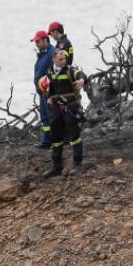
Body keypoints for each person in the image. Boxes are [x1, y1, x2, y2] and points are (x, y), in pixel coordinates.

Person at [38, 48, 87, 177]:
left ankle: (78, 164)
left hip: (70, 107)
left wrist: (81, 80)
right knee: (55, 137)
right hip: (56, 109)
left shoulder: (70, 70)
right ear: (54, 59)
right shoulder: (50, 72)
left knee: (74, 135)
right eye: (60, 59)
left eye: (64, 58)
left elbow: (81, 74)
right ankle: (57, 166)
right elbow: (49, 87)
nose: (63, 61)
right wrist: (48, 96)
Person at [31, 30, 56, 148]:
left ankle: (55, 140)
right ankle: (46, 141)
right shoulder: (42, 53)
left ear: (46, 40)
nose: (36, 44)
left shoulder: (52, 52)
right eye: (35, 42)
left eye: (38, 41)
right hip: (42, 92)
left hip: (49, 92)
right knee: (45, 117)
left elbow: (56, 71)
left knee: (52, 116)